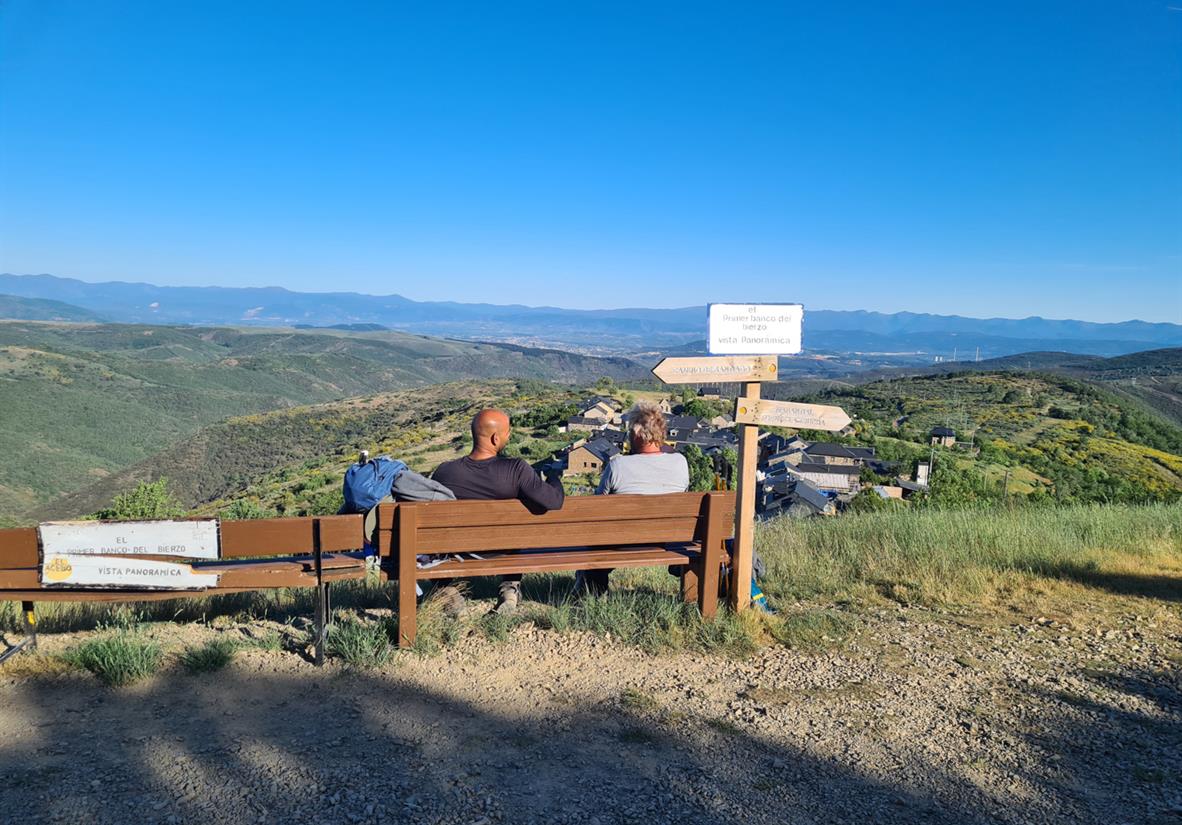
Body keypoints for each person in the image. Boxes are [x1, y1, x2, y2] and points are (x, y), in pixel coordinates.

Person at [432, 408, 564, 614]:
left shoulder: (444, 471)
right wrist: (554, 477)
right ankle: (509, 591)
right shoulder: (516, 469)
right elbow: (553, 501)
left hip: (458, 550)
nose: (509, 437)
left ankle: (448, 589)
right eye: (507, 433)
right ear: (495, 438)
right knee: (514, 538)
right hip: (503, 549)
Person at [577, 401, 689, 595]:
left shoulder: (618, 465)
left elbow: (596, 508)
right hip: (671, 539)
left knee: (597, 535)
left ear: (636, 434)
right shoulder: (680, 462)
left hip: (622, 540)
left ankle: (592, 591)